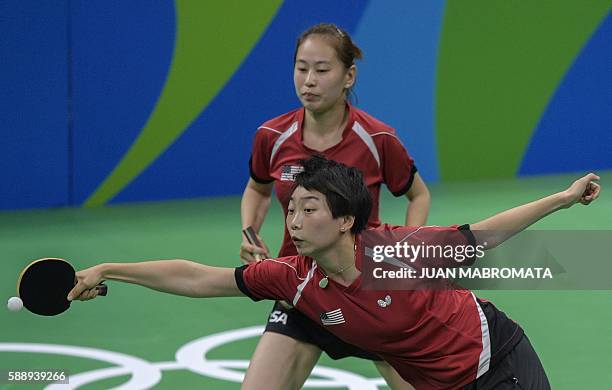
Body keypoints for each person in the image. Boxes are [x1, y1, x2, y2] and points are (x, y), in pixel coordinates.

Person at [70, 155, 600, 390]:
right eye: (292, 210)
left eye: (309, 210)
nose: (294, 223)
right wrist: (110, 268)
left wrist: (563, 198)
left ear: (346, 220)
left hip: (497, 366)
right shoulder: (292, 276)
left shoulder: (399, 253)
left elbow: (485, 234)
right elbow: (198, 278)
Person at [240, 23, 429, 389]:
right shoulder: (272, 137)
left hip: (370, 293)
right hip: (302, 288)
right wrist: (250, 232)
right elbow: (257, 189)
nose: (308, 80)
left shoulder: (377, 139)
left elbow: (417, 194)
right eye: (301, 67)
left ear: (348, 76)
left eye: (322, 70)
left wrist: (406, 245)